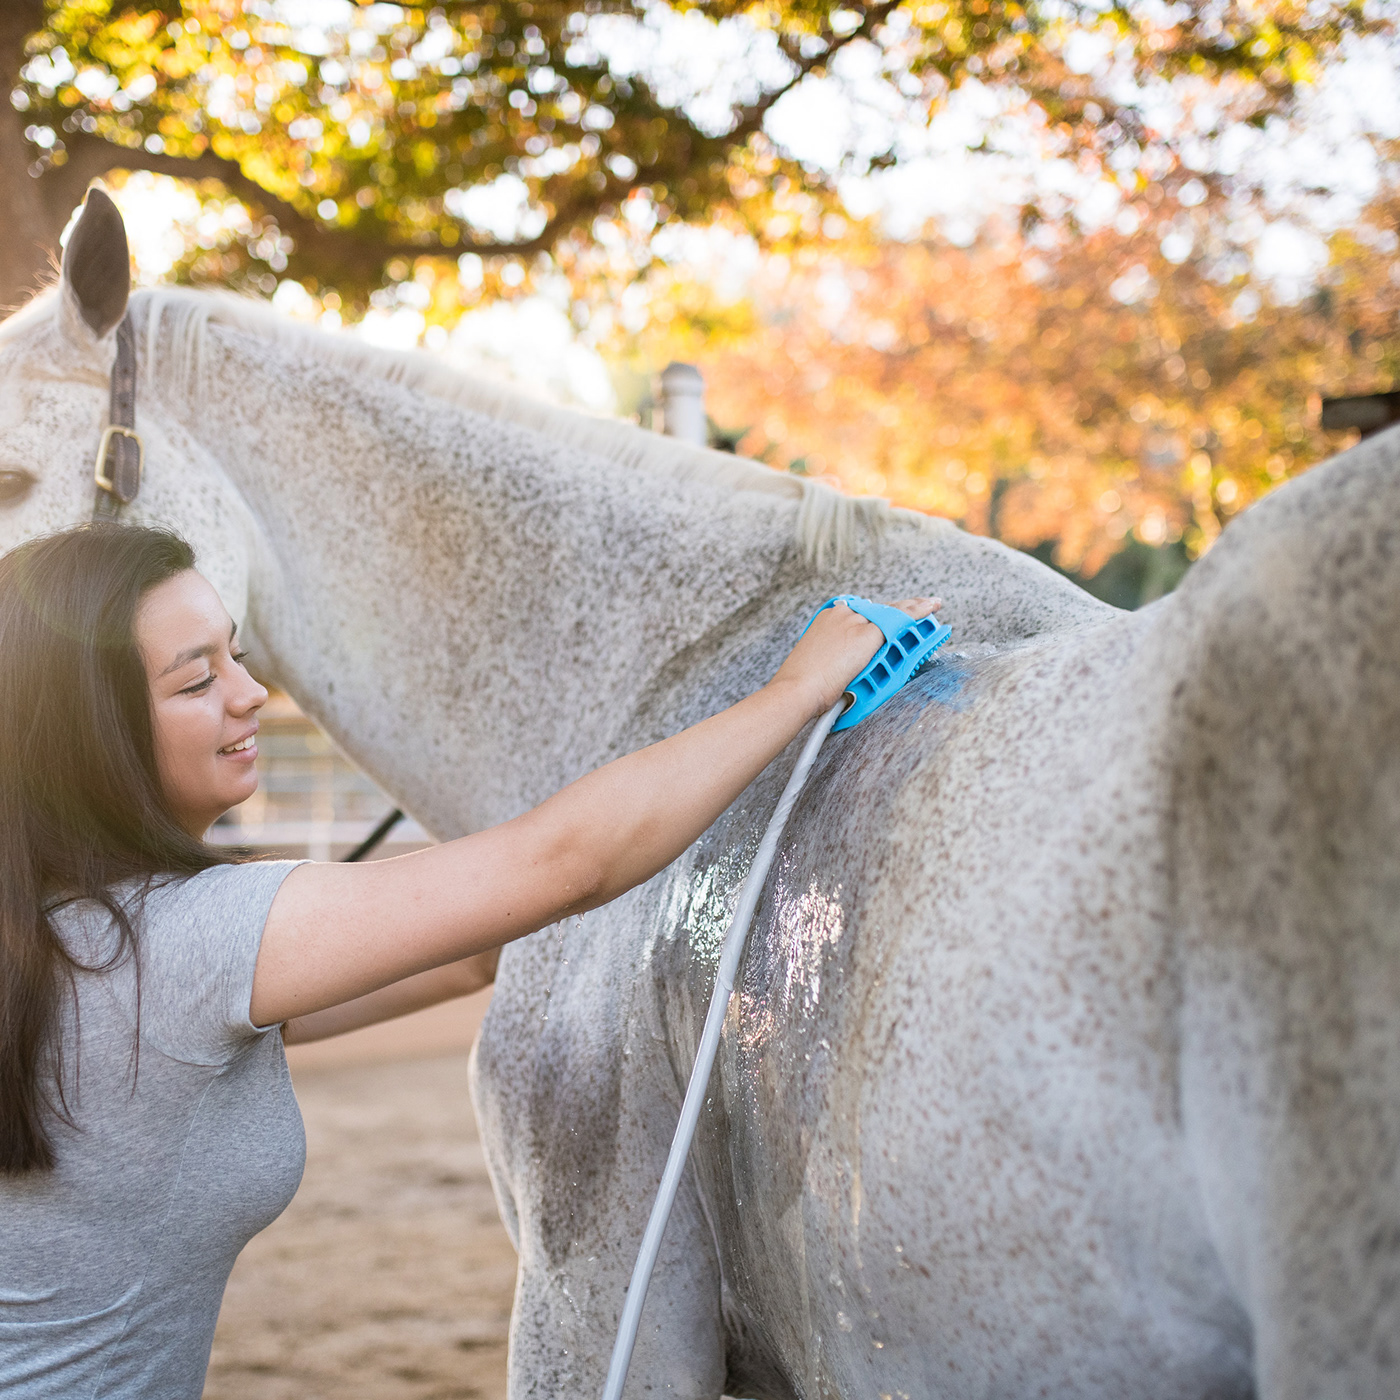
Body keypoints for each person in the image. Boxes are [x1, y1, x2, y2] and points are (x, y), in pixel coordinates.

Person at [0, 520, 938, 1398]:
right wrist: (795, 694)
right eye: (194, 681)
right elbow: (565, 867)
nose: (249, 694)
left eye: (236, 655)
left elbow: (465, 956)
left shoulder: (54, 937)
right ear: (94, 735)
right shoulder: (184, 940)